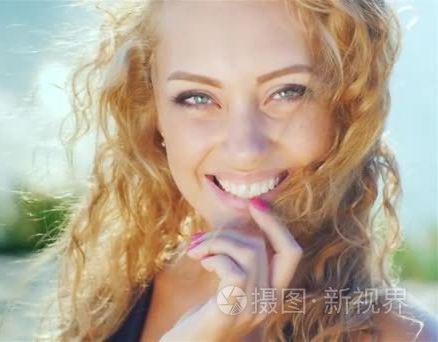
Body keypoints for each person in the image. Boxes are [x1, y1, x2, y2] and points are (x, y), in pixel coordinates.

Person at [30, 0, 438, 340]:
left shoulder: (404, 334)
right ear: (152, 113)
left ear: (346, 108)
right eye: (196, 98)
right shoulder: (118, 291)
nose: (245, 151)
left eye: (287, 91)